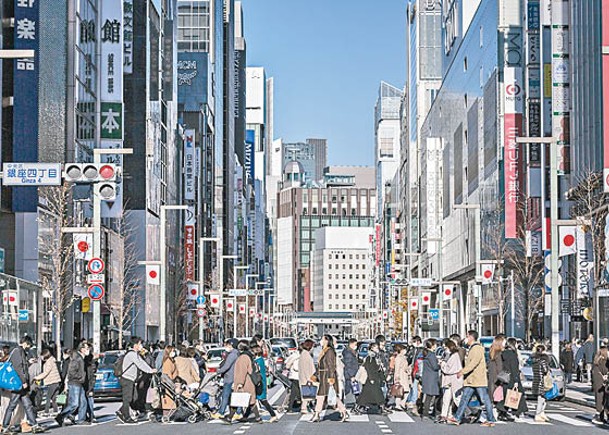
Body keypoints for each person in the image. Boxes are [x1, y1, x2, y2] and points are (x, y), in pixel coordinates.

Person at [447, 330, 496, 427]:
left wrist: (462, 371)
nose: (465, 339)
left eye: (467, 336)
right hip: (471, 380)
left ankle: (490, 419)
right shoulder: (472, 348)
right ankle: (457, 418)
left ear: (470, 337)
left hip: (478, 380)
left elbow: (473, 363)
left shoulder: (477, 348)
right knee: (464, 399)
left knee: (484, 400)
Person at [1, 337, 45, 434]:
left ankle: (34, 425)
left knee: (27, 404)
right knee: (12, 405)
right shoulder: (17, 351)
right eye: (29, 345)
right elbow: (18, 367)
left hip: (20, 384)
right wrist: (24, 381)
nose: (29, 347)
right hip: (18, 383)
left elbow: (21, 366)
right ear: (25, 343)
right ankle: (5, 426)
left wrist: (28, 362)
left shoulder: (20, 351)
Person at [116, 337, 157, 424]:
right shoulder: (132, 354)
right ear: (135, 345)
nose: (141, 346)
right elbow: (140, 365)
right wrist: (150, 370)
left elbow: (142, 363)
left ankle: (121, 411)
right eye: (139, 344)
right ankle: (126, 417)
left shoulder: (135, 354)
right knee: (128, 398)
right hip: (127, 378)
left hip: (131, 379)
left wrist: (150, 369)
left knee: (134, 397)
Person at [310, 335, 348, 422]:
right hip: (323, 376)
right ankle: (343, 412)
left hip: (327, 377)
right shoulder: (324, 350)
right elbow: (320, 366)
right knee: (325, 396)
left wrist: (331, 378)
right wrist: (315, 375)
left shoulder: (329, 351)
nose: (321, 341)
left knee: (329, 396)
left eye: (322, 339)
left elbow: (331, 365)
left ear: (327, 341)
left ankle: (317, 414)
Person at [225, 341, 260, 424]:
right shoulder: (248, 356)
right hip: (248, 382)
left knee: (237, 400)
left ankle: (229, 418)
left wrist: (240, 383)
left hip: (245, 383)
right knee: (249, 401)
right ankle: (258, 418)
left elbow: (242, 371)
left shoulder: (243, 357)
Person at [55, 342, 89, 427]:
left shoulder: (81, 358)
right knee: (74, 403)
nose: (88, 350)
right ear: (82, 349)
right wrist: (80, 377)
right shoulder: (77, 358)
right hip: (74, 383)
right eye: (87, 348)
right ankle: (61, 416)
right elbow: (71, 372)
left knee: (83, 401)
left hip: (79, 383)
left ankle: (81, 419)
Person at [357, 342, 386, 415]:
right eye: (376, 348)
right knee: (377, 394)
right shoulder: (370, 357)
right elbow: (369, 368)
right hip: (372, 378)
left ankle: (358, 407)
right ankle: (382, 407)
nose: (377, 349)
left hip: (374, 378)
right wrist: (371, 378)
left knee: (366, 394)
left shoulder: (375, 356)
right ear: (372, 348)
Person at [501, 338, 527, 419]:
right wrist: (516, 379)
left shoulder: (503, 354)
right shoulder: (513, 354)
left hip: (505, 377)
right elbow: (514, 368)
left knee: (507, 395)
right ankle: (518, 412)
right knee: (518, 395)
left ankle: (502, 411)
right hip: (512, 377)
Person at [438, 339, 463, 423]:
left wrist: (442, 363)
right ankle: (445, 415)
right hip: (451, 380)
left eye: (446, 347)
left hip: (452, 380)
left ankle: (467, 413)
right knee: (447, 398)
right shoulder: (453, 355)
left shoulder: (454, 356)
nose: (445, 349)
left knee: (455, 398)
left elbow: (448, 369)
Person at [252, 345, 278, 422]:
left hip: (260, 382)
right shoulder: (261, 360)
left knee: (262, 400)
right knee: (253, 400)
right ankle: (246, 415)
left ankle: (273, 414)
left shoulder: (258, 361)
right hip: (261, 382)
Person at [33, 349, 61, 417]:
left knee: (48, 397)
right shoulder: (52, 360)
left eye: (41, 356)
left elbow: (46, 373)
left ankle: (46, 412)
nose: (41, 357)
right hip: (56, 381)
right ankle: (55, 410)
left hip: (53, 382)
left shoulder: (49, 362)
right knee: (53, 398)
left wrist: (37, 377)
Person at [488, 336, 509, 421]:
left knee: (492, 396)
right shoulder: (500, 354)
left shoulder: (492, 352)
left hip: (491, 377)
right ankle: (499, 413)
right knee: (499, 396)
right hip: (498, 377)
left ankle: (492, 413)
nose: (505, 344)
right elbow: (500, 367)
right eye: (504, 342)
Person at [420, 339, 440, 420]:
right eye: (435, 344)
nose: (436, 346)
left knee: (428, 396)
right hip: (432, 378)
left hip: (427, 377)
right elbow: (435, 367)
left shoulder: (426, 354)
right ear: (432, 345)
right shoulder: (431, 355)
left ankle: (426, 413)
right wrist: (439, 364)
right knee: (433, 396)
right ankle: (433, 412)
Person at [531, 345, 551, 422]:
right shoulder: (543, 360)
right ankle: (538, 414)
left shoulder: (534, 360)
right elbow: (545, 370)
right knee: (541, 399)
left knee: (543, 398)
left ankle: (541, 413)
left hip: (536, 380)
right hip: (542, 381)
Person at [405, 336, 423, 413]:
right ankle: (412, 399)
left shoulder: (421, 350)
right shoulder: (414, 349)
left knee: (415, 385)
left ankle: (414, 400)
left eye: (414, 342)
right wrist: (409, 347)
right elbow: (408, 357)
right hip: (413, 369)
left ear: (418, 341)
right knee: (412, 385)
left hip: (418, 370)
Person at [592, 346, 609, 423]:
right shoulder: (602, 360)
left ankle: (601, 415)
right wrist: (604, 378)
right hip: (600, 381)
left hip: (600, 381)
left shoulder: (598, 360)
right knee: (602, 398)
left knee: (602, 398)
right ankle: (600, 415)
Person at [298, 340, 316, 414]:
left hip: (304, 377)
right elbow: (306, 368)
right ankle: (304, 407)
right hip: (307, 377)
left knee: (306, 393)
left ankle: (306, 407)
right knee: (307, 393)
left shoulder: (304, 354)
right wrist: (309, 379)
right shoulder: (306, 355)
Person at [392, 344, 410, 411]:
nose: (405, 350)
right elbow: (397, 368)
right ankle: (398, 404)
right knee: (399, 391)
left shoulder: (403, 357)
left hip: (404, 375)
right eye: (404, 349)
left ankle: (401, 403)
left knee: (404, 391)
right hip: (400, 376)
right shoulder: (398, 358)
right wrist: (397, 377)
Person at [343, 338, 360, 406]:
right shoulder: (348, 353)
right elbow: (348, 365)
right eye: (355, 344)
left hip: (352, 374)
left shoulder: (352, 352)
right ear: (351, 344)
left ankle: (358, 403)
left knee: (355, 389)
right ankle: (340, 402)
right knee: (349, 389)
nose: (356, 346)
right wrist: (352, 375)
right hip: (350, 374)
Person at [285, 343, 301, 412]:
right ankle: (304, 404)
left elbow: (286, 362)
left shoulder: (294, 355)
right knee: (296, 391)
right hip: (297, 375)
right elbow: (296, 367)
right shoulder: (298, 356)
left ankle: (290, 407)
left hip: (293, 375)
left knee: (294, 391)